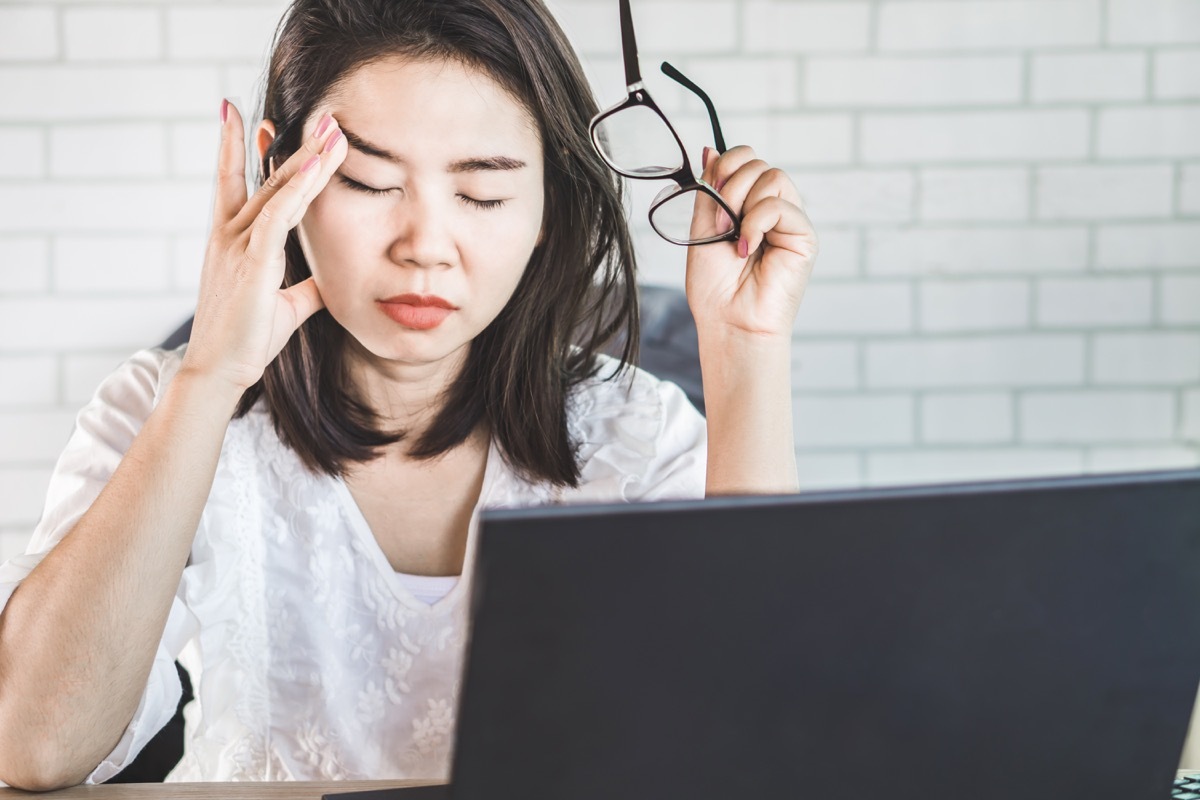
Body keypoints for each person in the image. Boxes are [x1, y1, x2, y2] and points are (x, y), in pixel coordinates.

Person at [0, 0, 816, 788]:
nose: (426, 248)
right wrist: (209, 378)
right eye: (366, 182)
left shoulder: (635, 434)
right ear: (278, 173)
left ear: (545, 209)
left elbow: (765, 737)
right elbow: (34, 748)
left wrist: (746, 349)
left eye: (483, 193)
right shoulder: (159, 406)